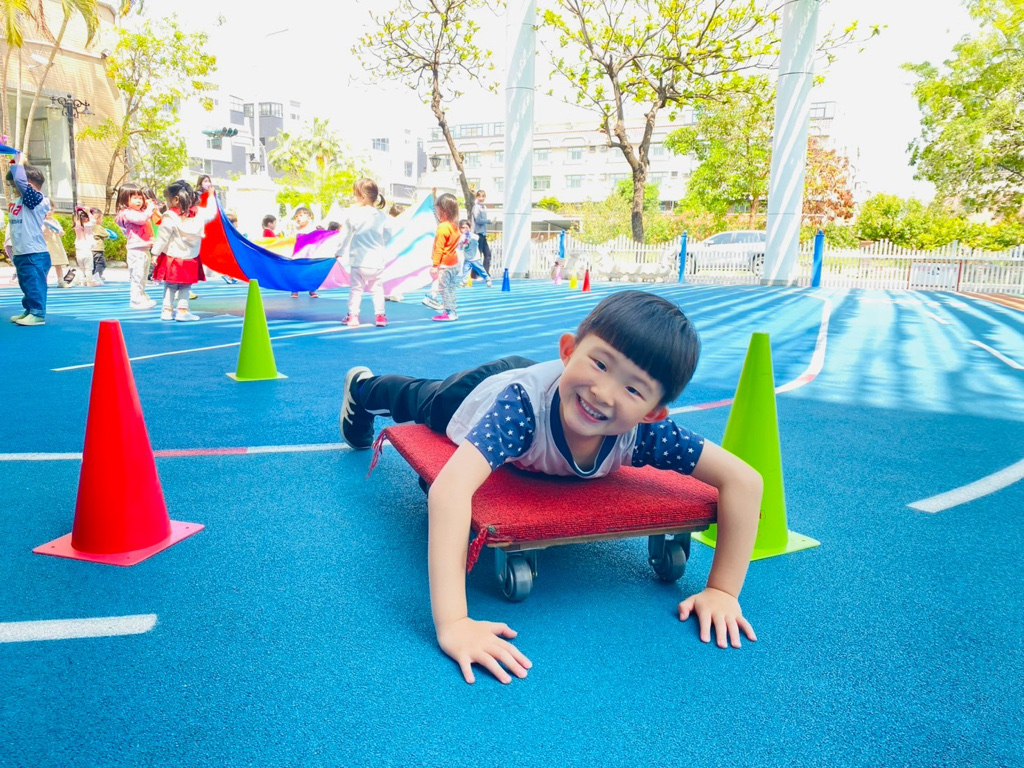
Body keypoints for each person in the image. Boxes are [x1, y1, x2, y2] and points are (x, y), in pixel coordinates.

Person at [339, 291, 763, 684]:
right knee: (419, 397)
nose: (603, 393)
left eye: (633, 389)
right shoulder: (519, 411)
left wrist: (723, 591)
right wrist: (454, 623)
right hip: (481, 391)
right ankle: (362, 388)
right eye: (600, 364)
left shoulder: (644, 433)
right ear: (568, 351)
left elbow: (745, 481)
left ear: (652, 413)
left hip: (548, 383)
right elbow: (449, 491)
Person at [151, 179, 217, 322]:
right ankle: (182, 311)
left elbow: (162, 238)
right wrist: (211, 196)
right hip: (190, 258)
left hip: (172, 258)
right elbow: (212, 213)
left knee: (170, 285)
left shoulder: (170, 216)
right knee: (185, 286)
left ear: (175, 199)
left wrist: (155, 253)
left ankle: (167, 311)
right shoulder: (200, 214)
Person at [336, 178, 394, 329]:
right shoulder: (382, 216)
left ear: (362, 196)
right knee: (377, 289)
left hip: (358, 260)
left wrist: (339, 252)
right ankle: (380, 316)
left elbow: (345, 236)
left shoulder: (354, 214)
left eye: (355, 194)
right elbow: (388, 236)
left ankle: (353, 316)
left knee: (356, 290)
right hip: (376, 261)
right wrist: (380, 244)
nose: (354, 197)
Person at [6, 154, 52, 326]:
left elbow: (21, 181)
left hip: (34, 252)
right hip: (22, 251)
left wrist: (17, 160)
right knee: (26, 283)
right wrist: (12, 162)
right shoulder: (18, 201)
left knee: (34, 283)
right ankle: (30, 309)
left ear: (29, 185)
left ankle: (38, 313)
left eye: (15, 186)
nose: (14, 189)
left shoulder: (37, 200)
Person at [114, 182, 158, 309]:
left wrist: (150, 206)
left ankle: (141, 295)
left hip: (144, 248)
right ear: (124, 199)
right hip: (136, 250)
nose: (139, 201)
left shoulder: (139, 212)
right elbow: (141, 219)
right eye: (134, 198)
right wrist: (149, 209)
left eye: (140, 198)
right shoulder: (127, 213)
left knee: (143, 276)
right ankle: (136, 300)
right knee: (137, 276)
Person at [430, 193, 461, 322]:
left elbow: (439, 248)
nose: (436, 213)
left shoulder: (442, 227)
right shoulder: (454, 226)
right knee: (451, 288)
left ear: (444, 211)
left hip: (445, 264)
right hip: (454, 263)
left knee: (443, 288)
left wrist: (435, 265)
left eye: (437, 210)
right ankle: (452, 310)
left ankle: (448, 312)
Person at [290, 205, 319, 299]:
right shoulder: (295, 230)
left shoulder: (313, 229)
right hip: (297, 255)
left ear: (309, 217)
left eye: (301, 216)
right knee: (295, 272)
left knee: (310, 272)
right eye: (296, 216)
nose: (298, 218)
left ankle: (312, 290)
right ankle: (294, 290)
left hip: (310, 255)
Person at [41, 209, 74, 288]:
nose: (49, 212)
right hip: (46, 245)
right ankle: (43, 282)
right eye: (47, 210)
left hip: (56, 245)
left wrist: (60, 231)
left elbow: (60, 230)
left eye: (51, 210)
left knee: (58, 264)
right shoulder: (41, 221)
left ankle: (61, 281)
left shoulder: (54, 221)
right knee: (45, 265)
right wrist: (45, 227)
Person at [458, 218, 491, 287]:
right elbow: (460, 248)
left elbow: (477, 238)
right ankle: (464, 281)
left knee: (481, 270)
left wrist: (470, 238)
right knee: (465, 270)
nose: (465, 229)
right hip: (467, 259)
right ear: (460, 229)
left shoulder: (472, 235)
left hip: (475, 258)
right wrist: (462, 243)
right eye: (463, 228)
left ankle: (487, 279)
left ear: (469, 228)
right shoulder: (461, 237)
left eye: (466, 227)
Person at [72, 207, 96, 286]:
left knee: (82, 268)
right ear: (86, 218)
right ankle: (89, 282)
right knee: (88, 268)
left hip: (78, 249)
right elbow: (93, 221)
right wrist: (88, 212)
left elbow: (75, 218)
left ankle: (82, 282)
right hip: (86, 248)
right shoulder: (87, 225)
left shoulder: (76, 225)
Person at [471, 189, 493, 274]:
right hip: (477, 233)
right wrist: (489, 221)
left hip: (483, 233)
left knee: (487, 254)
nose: (481, 198)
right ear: (477, 197)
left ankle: (485, 273)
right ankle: (474, 274)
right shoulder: (476, 207)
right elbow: (478, 220)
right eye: (479, 196)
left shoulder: (484, 207)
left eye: (483, 196)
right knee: (477, 255)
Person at [88, 208, 109, 285]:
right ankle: (97, 276)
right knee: (101, 263)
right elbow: (107, 234)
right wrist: (108, 233)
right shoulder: (98, 227)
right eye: (101, 218)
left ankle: (91, 276)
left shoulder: (88, 226)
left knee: (92, 264)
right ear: (97, 218)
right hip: (98, 249)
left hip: (90, 249)